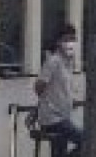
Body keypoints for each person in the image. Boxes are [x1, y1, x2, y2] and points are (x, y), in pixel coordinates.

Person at [34, 23, 83, 157]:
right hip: (52, 119)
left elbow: (62, 88)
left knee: (58, 152)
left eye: (73, 39)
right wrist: (49, 102)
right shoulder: (53, 61)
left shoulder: (68, 63)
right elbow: (39, 86)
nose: (70, 43)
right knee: (86, 140)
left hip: (63, 116)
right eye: (67, 39)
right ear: (58, 42)